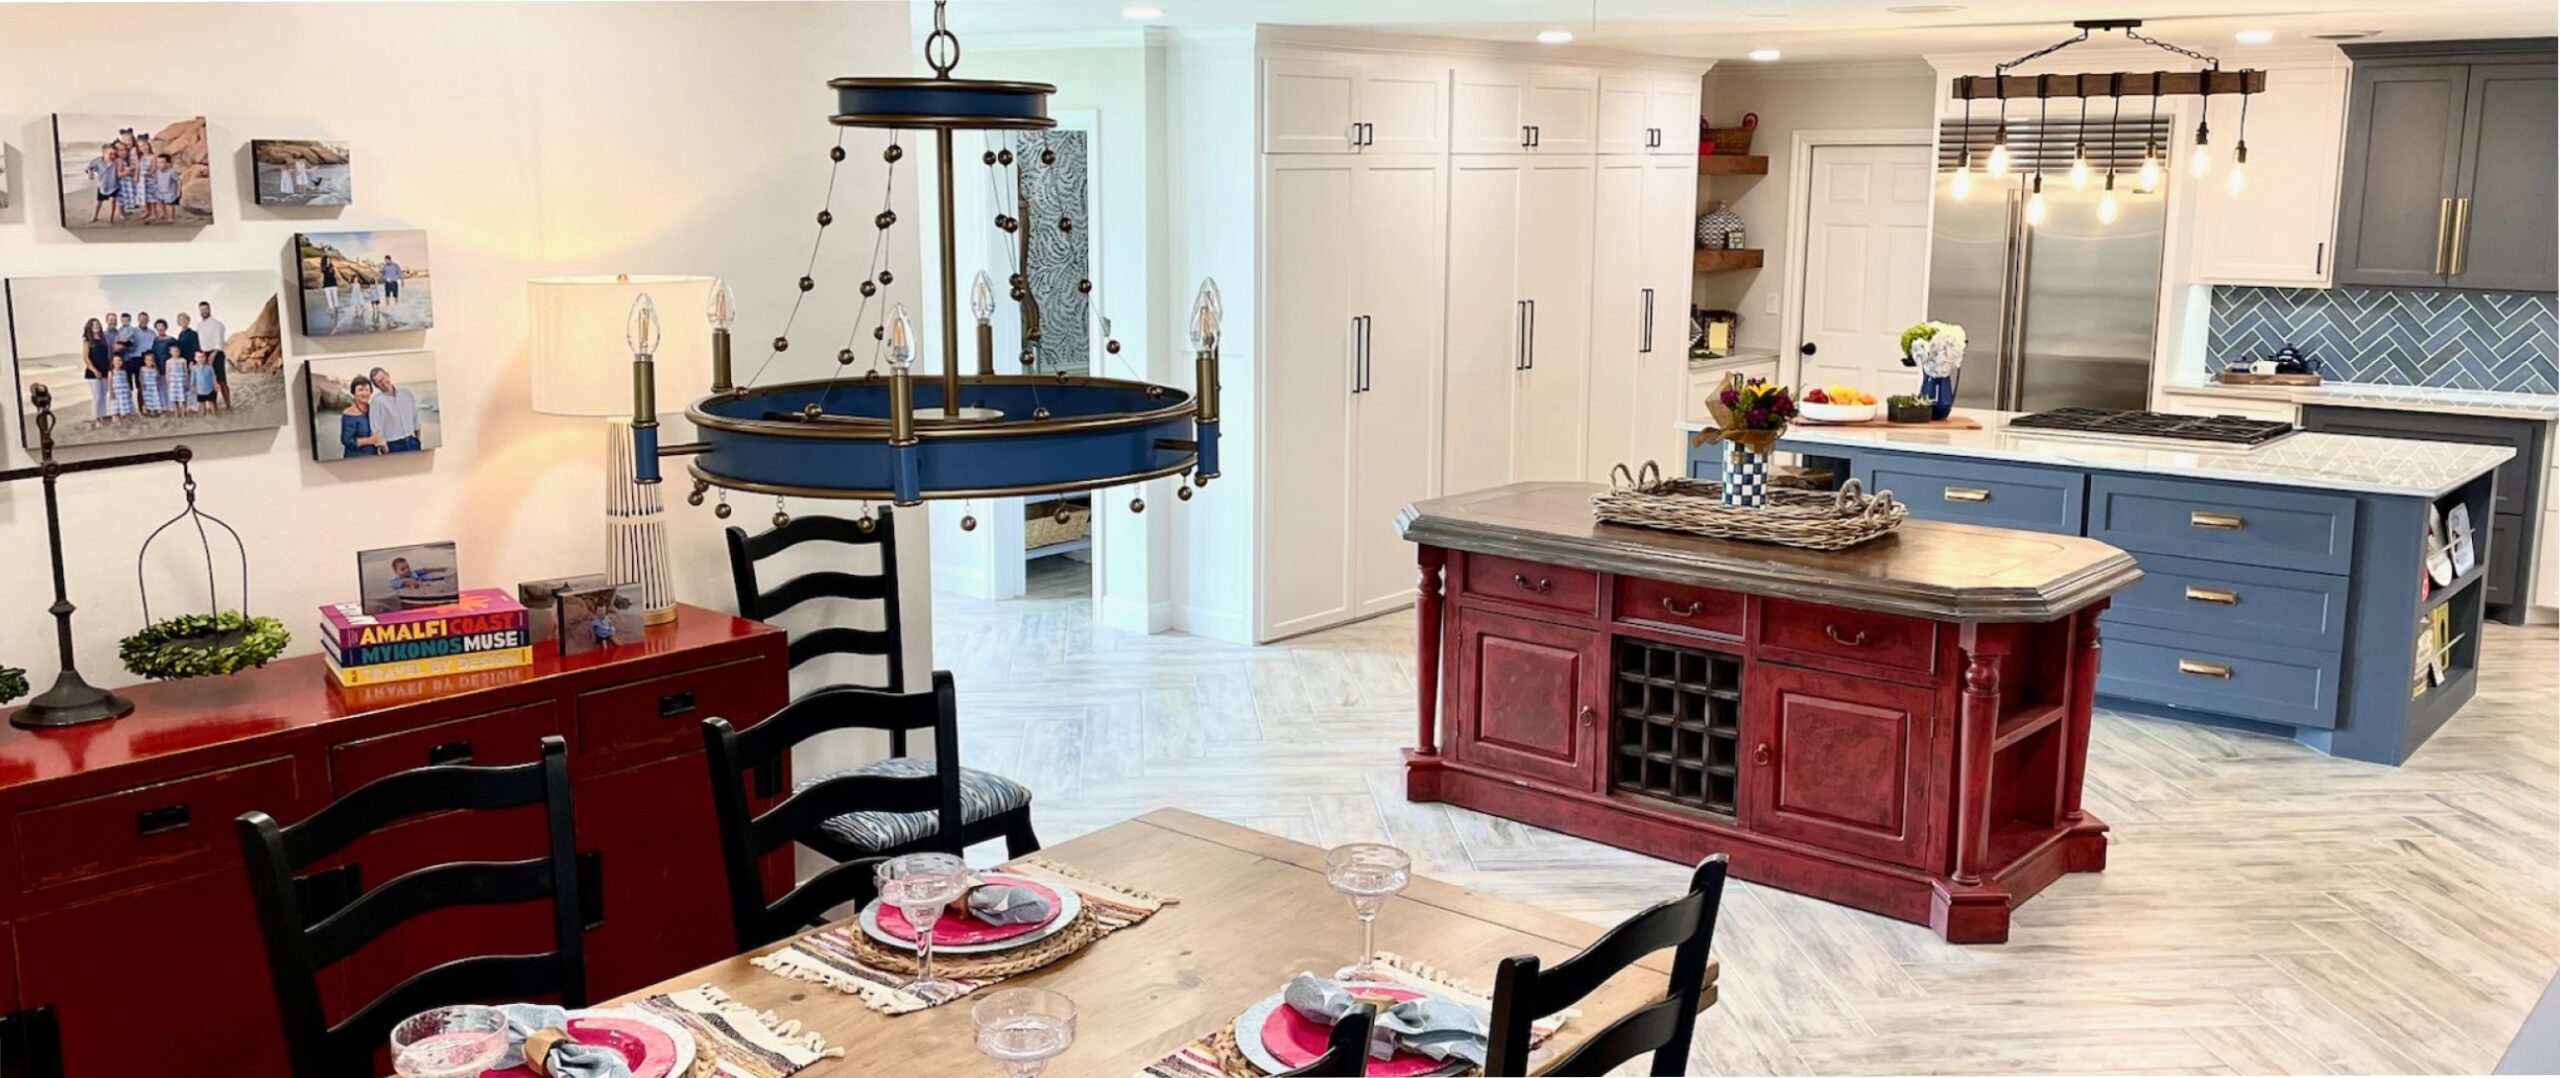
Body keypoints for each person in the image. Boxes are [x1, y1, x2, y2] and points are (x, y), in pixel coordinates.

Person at [366, 365, 423, 452]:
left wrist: (418, 441)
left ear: (388, 375)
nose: (384, 382)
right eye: (379, 382)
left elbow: (415, 419)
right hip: (393, 445)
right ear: (376, 386)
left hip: (413, 442)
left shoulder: (406, 393)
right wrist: (386, 450)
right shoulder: (377, 402)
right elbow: (376, 430)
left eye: (383, 378)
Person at [339, 376, 385, 457]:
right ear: (353, 393)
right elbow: (347, 441)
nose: (364, 393)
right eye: (360, 390)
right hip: (355, 458)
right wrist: (370, 440)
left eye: (367, 390)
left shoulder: (373, 410)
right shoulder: (349, 414)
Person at [195, 302, 229, 410]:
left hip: (216, 353)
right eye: (201, 309)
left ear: (210, 309)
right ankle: (214, 406)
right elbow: (201, 342)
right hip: (204, 354)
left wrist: (212, 356)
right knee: (208, 381)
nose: (204, 311)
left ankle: (228, 405)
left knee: (221, 380)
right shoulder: (199, 325)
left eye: (205, 309)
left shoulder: (217, 324)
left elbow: (219, 342)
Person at [80, 319, 112, 423]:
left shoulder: (104, 339)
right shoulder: (87, 340)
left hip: (105, 370)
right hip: (93, 372)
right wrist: (94, 370)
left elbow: (107, 355)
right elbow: (85, 358)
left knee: (104, 395)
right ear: (90, 327)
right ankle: (96, 417)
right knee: (97, 396)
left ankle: (103, 415)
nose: (96, 326)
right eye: (93, 325)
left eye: (97, 324)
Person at [84, 146, 119, 225]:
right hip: (102, 185)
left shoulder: (116, 162)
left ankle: (110, 218)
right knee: (98, 202)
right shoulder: (98, 161)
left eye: (114, 154)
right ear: (103, 154)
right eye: (110, 154)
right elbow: (88, 167)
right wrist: (90, 173)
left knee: (112, 201)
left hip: (114, 185)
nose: (113, 156)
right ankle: (94, 216)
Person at [151, 154, 181, 224]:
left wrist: (179, 190)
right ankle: (164, 214)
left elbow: (178, 180)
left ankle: (171, 218)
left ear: (168, 163)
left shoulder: (171, 172)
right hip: (161, 191)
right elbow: (156, 180)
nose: (159, 164)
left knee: (169, 205)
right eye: (158, 162)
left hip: (170, 192)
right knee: (161, 203)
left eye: (162, 162)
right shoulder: (157, 172)